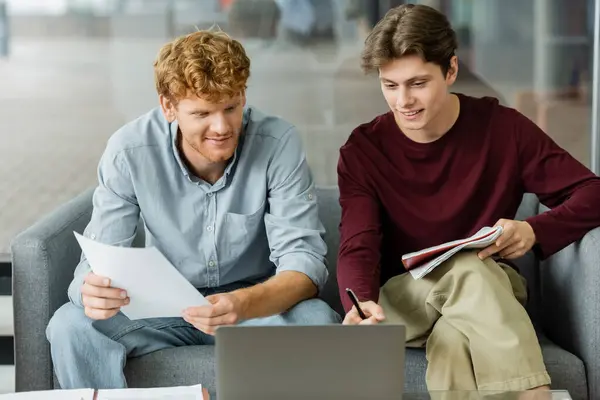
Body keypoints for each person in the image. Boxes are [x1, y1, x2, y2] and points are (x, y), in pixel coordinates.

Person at [46, 28, 341, 390]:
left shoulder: (279, 144)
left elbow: (305, 265)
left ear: (243, 95)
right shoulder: (129, 150)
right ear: (168, 107)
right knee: (71, 325)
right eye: (202, 113)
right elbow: (97, 261)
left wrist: (242, 304)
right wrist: (90, 291)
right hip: (162, 310)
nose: (221, 127)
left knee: (318, 320)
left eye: (231, 108)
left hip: (253, 307)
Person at [336, 3, 600, 395]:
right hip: (405, 300)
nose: (403, 101)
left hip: (490, 290)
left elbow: (592, 192)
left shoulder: (503, 130)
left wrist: (533, 230)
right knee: (467, 270)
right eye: (390, 85)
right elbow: (358, 241)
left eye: (418, 83)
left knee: (455, 336)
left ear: (452, 70)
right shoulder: (363, 150)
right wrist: (360, 305)